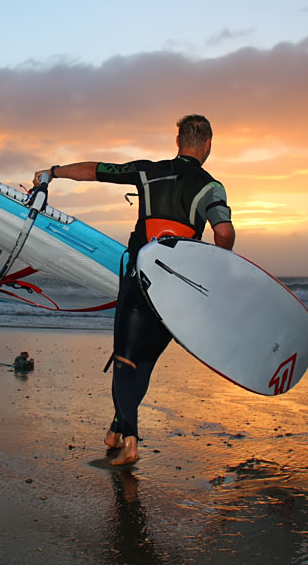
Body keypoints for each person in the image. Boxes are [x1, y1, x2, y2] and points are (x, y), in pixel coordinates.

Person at [34, 114, 234, 465]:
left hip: (141, 280)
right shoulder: (211, 186)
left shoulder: (148, 171)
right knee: (144, 361)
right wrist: (220, 263)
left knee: (126, 357)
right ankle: (116, 428)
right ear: (207, 145)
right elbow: (223, 233)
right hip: (177, 289)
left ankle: (130, 441)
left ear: (178, 142)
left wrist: (54, 172)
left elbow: (97, 170)